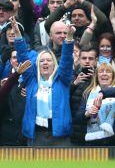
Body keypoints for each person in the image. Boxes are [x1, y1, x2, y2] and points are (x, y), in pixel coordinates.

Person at [14, 16, 75, 146]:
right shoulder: (31, 81)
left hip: (60, 137)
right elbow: (23, 56)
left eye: (49, 60)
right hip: (36, 136)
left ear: (54, 65)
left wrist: (69, 39)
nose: (45, 63)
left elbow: (66, 59)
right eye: (42, 60)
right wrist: (18, 35)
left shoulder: (62, 80)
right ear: (37, 65)